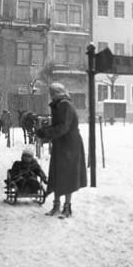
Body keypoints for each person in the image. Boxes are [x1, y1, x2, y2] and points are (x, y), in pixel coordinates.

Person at [36, 82, 87, 218]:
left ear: (56, 93)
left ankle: (67, 208)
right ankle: (56, 206)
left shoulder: (64, 105)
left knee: (67, 176)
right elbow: (59, 126)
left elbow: (63, 127)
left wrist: (45, 133)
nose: (51, 97)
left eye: (52, 94)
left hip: (69, 145)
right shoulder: (59, 105)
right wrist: (46, 132)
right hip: (62, 144)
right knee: (58, 174)